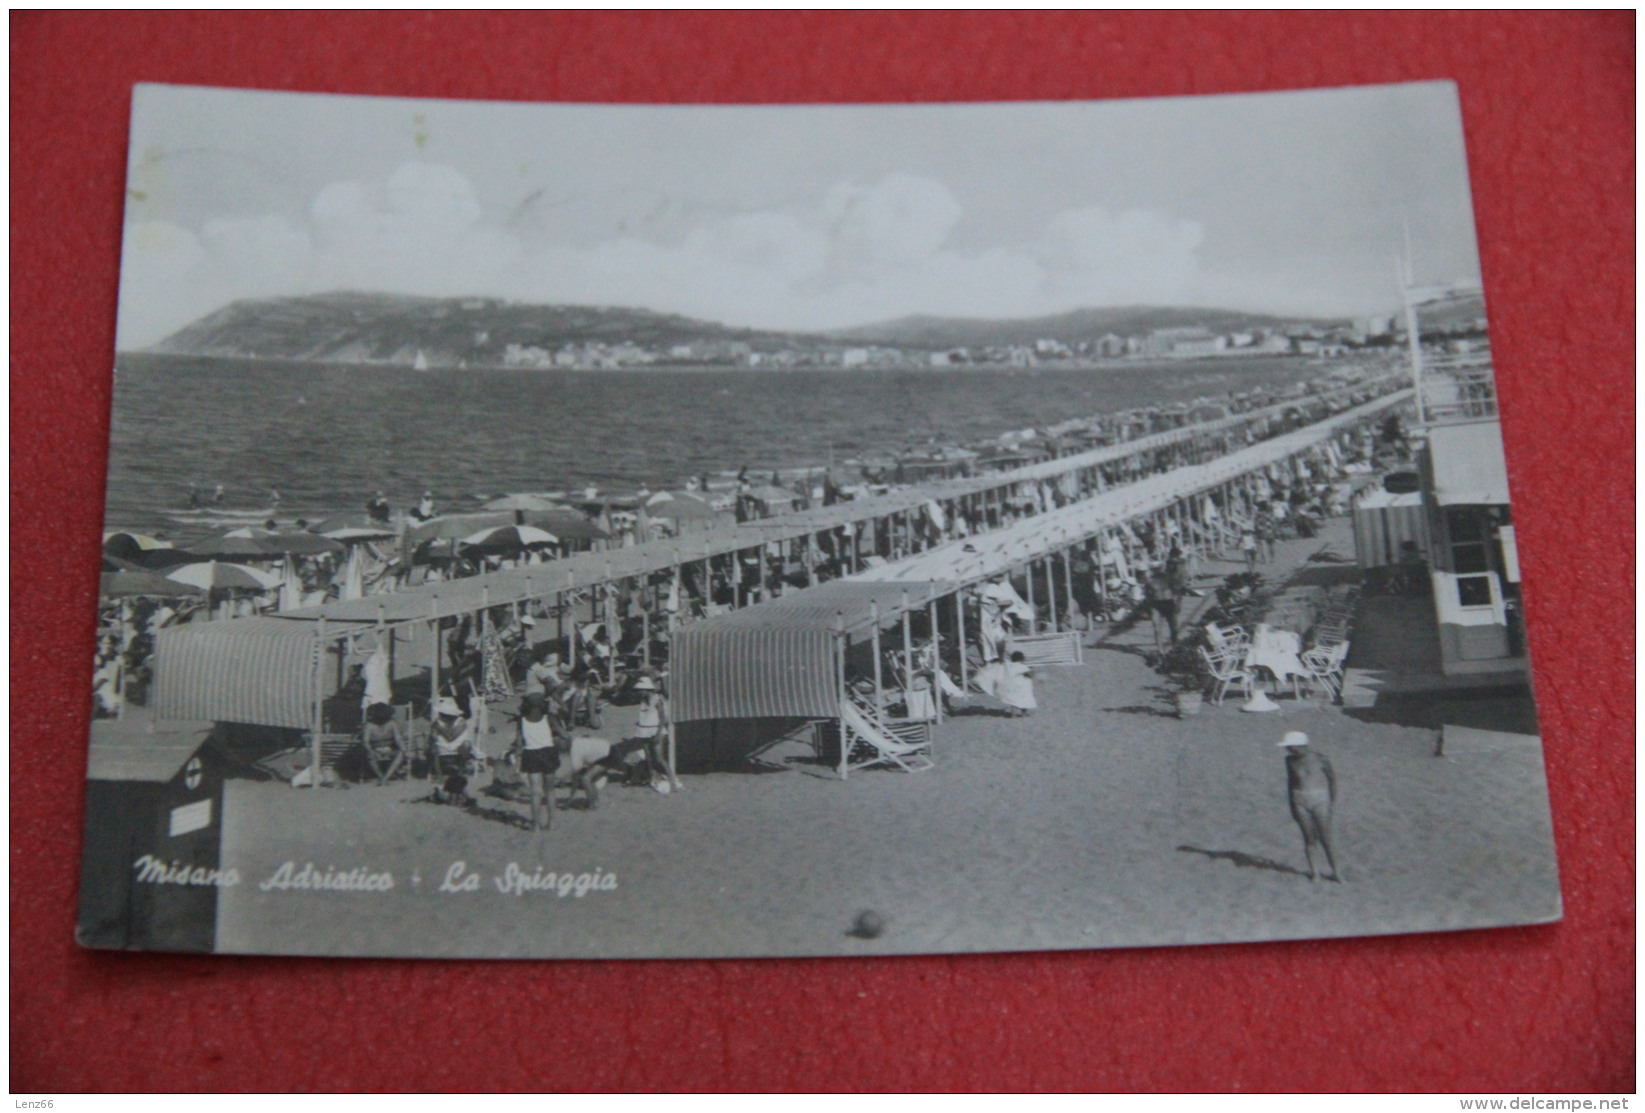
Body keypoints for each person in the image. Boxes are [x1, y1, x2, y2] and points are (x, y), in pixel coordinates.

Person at [1280, 731, 1341, 882]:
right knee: (1309, 838)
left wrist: (1332, 802)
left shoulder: (1321, 759)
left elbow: (1332, 780)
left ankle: (1336, 872)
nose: (1288, 749)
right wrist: (1291, 804)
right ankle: (1315, 873)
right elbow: (1291, 782)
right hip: (1299, 799)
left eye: (1290, 746)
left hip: (1320, 799)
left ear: (1299, 746)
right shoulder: (1289, 761)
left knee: (1326, 838)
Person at [513, 692, 561, 831]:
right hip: (548, 752)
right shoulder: (548, 718)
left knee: (535, 791)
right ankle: (551, 823)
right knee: (550, 790)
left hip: (531, 753)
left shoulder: (521, 720)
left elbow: (519, 741)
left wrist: (517, 755)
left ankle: (536, 825)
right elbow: (562, 733)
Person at [626, 675, 681, 794]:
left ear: (646, 689)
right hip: (644, 730)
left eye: (641, 690)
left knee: (659, 758)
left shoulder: (656, 699)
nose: (639, 693)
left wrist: (658, 733)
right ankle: (653, 778)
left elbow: (662, 718)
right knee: (648, 757)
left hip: (655, 730)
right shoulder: (643, 701)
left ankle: (672, 781)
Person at [428, 697, 475, 790]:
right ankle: (439, 774)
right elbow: (433, 735)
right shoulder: (437, 722)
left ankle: (460, 773)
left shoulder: (461, 721)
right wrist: (436, 731)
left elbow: (452, 736)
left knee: (466, 745)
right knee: (433, 746)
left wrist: (441, 729)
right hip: (441, 747)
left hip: (458, 747)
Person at [361, 702, 407, 786]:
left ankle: (385, 777)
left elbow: (398, 738)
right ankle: (381, 777)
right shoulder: (369, 725)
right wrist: (370, 750)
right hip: (375, 749)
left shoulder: (391, 723)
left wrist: (404, 749)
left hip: (389, 748)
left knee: (400, 753)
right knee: (369, 755)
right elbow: (365, 741)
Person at [999, 651, 1036, 717]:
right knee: (1025, 699)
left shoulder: (1009, 666)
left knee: (1013, 700)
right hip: (1021, 686)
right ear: (1022, 659)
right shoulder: (1022, 666)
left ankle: (1013, 714)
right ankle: (1024, 713)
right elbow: (1028, 674)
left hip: (1011, 685)